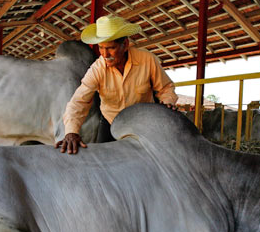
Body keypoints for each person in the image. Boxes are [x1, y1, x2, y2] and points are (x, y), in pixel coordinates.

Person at [56, 15, 178, 154]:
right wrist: (71, 132)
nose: (105, 54)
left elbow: (166, 88)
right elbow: (79, 101)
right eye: (101, 48)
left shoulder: (147, 60)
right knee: (104, 158)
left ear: (125, 45)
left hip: (143, 123)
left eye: (110, 48)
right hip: (111, 123)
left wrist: (168, 102)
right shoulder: (97, 69)